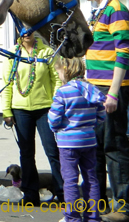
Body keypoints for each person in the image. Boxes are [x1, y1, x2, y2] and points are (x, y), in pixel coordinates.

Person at [68, 0, 129, 222]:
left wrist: (114, 93)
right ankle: (97, 203)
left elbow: (123, 53)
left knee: (114, 146)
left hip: (111, 88)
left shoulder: (116, 9)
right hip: (95, 86)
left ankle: (126, 208)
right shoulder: (98, 11)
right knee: (94, 146)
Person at [2, 32, 64, 206]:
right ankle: (30, 194)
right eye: (23, 31)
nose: (27, 33)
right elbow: (7, 84)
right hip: (20, 110)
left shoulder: (47, 52)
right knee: (26, 153)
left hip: (45, 109)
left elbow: (57, 80)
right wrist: (7, 110)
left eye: (30, 30)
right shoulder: (12, 54)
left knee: (52, 151)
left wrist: (55, 105)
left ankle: (63, 192)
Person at [49, 56, 106, 222]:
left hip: (67, 143)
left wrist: (57, 129)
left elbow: (53, 119)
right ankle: (93, 217)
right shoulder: (92, 89)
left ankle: (72, 217)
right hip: (89, 140)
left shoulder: (63, 92)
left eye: (59, 71)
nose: (58, 75)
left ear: (66, 70)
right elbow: (101, 115)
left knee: (70, 181)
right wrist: (89, 127)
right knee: (91, 179)